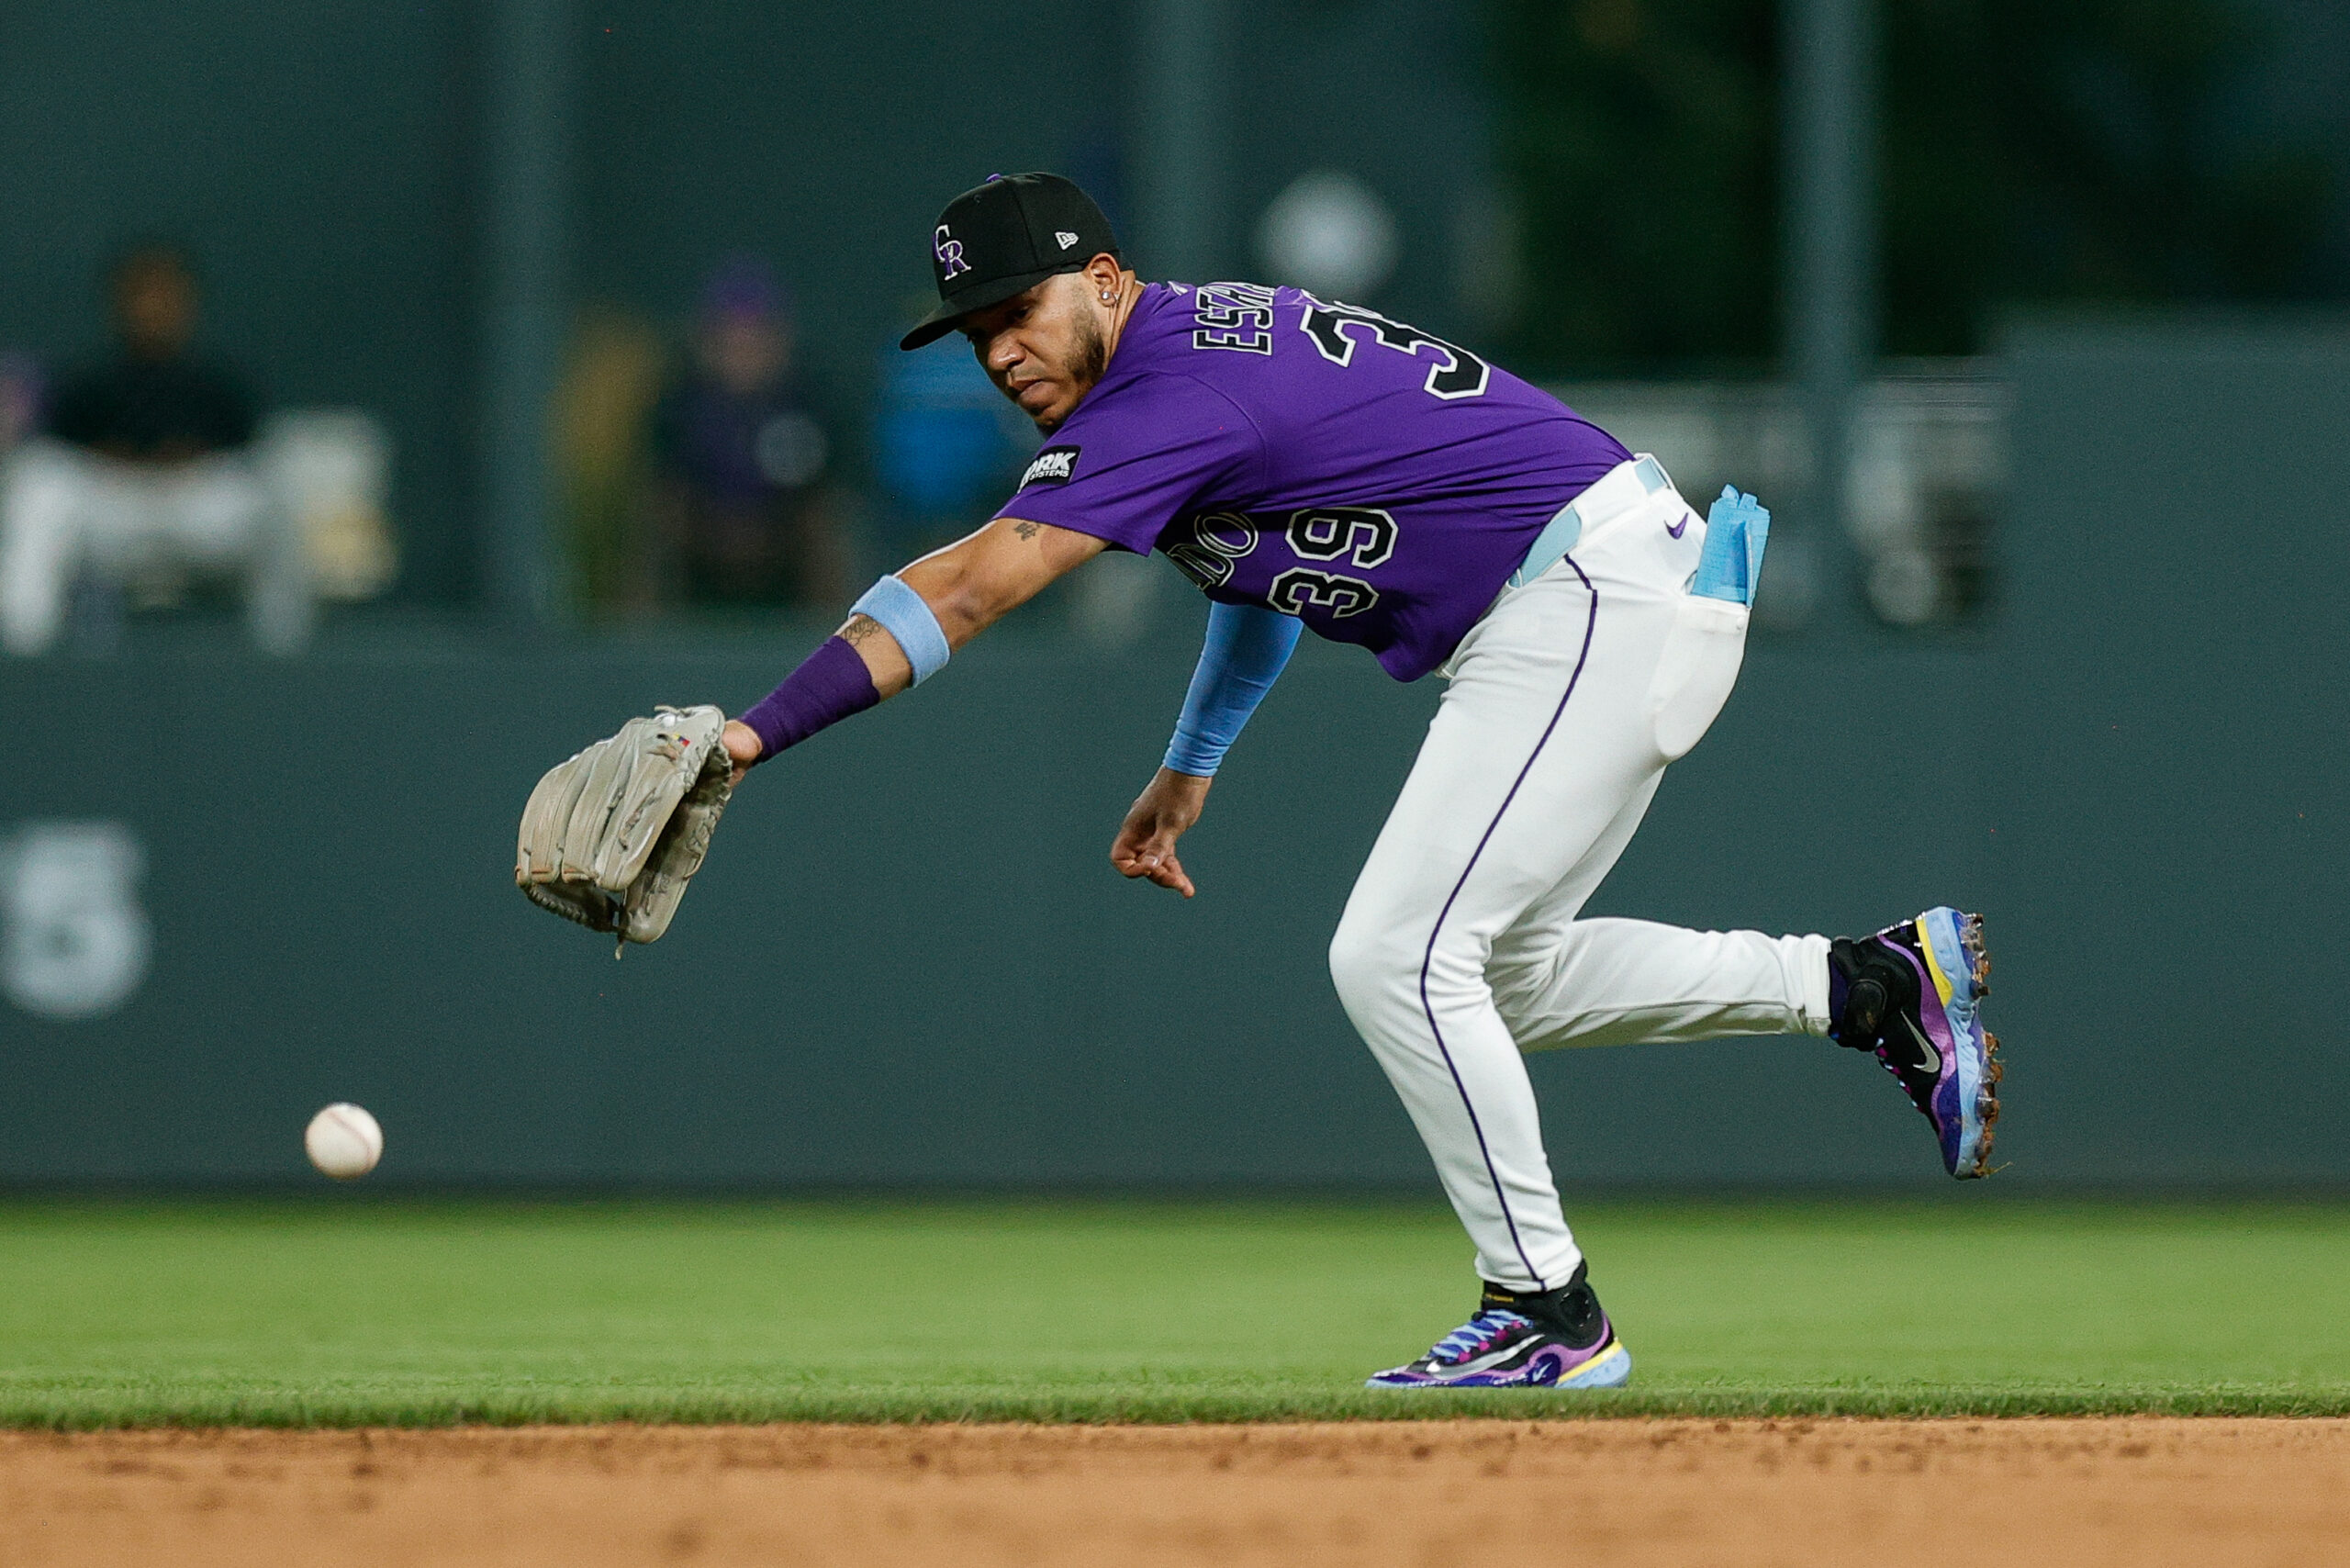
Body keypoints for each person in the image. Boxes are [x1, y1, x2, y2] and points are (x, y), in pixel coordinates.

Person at [715, 174, 2001, 1389]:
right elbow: (1260, 570)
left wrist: (749, 738)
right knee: (1498, 978)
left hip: (1579, 594)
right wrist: (1190, 764)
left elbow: (971, 585)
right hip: (1592, 589)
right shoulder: (1182, 361)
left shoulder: (1168, 394)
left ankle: (1544, 1309)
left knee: (1396, 957)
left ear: (1103, 279)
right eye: (974, 332)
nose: (998, 352)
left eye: (1018, 312)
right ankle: (1871, 987)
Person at [0, 243, 308, 655]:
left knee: (278, 489)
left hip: (197, 510)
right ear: (118, 304)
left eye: (165, 293)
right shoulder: (91, 384)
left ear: (188, 303)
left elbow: (245, 456)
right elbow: (64, 454)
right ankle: (24, 652)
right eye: (142, 294)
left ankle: (284, 653)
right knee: (40, 484)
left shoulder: (218, 386)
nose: (153, 306)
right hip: (114, 510)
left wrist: (188, 461)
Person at [645, 258, 844, 610]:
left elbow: (821, 510)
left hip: (783, 569)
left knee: (823, 524)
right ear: (707, 342)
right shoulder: (683, 405)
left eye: (757, 336)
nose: (744, 350)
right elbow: (662, 505)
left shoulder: (805, 403)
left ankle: (833, 639)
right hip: (700, 568)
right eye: (731, 337)